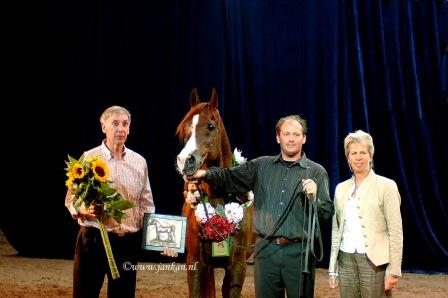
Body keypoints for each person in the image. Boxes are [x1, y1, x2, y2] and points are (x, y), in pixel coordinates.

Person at [186, 115, 334, 298]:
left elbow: (326, 214)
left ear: (304, 138)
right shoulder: (261, 165)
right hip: (266, 253)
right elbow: (229, 177)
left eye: (296, 134)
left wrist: (315, 198)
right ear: (278, 137)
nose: (291, 138)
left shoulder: (317, 172)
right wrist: (203, 173)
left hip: (300, 253)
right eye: (286, 134)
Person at [65, 105, 156, 298]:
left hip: (126, 244)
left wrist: (158, 240)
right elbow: (71, 199)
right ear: (103, 126)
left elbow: (146, 204)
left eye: (125, 124)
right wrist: (85, 210)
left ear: (129, 128)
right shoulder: (89, 158)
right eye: (115, 123)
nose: (121, 129)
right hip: (93, 239)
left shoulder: (140, 161)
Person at [328, 130, 403, 297]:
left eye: (363, 152)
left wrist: (393, 270)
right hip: (345, 258)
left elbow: (396, 231)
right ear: (348, 158)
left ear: (371, 156)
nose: (358, 157)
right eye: (353, 153)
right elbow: (336, 230)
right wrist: (333, 268)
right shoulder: (341, 188)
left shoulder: (386, 186)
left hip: (374, 261)